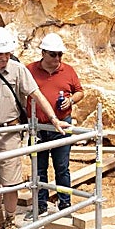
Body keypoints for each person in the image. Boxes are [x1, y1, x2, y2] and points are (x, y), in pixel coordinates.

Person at [0, 26, 69, 229]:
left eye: (7, 53)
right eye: (0, 53)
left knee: (11, 182)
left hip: (9, 133)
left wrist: (54, 119)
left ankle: (11, 222)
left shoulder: (18, 70)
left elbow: (36, 94)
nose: (4, 57)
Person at [26, 32, 84, 218]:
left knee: (62, 167)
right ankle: (40, 205)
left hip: (62, 127)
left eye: (60, 54)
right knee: (39, 167)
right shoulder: (29, 70)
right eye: (53, 54)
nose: (57, 58)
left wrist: (71, 101)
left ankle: (64, 205)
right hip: (39, 127)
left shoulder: (68, 70)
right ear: (43, 53)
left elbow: (80, 92)